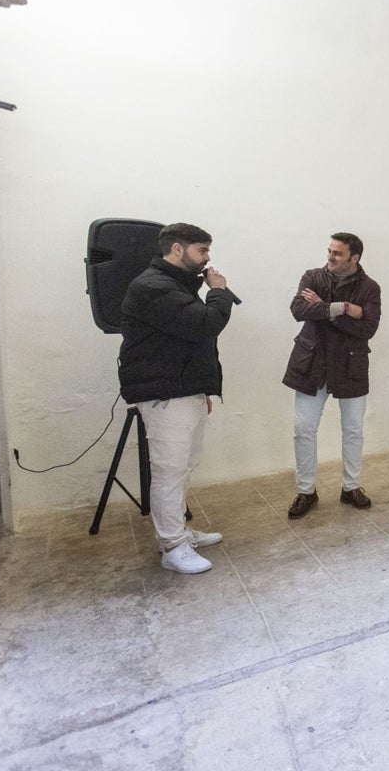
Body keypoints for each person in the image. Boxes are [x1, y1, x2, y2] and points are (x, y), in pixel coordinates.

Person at [119, 223, 236, 574]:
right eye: (202, 251)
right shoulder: (152, 287)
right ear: (176, 249)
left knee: (184, 465)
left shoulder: (174, 284)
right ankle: (172, 546)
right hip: (166, 395)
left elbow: (189, 339)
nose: (208, 258)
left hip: (185, 390)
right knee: (169, 471)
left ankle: (177, 532)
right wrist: (219, 291)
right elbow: (204, 324)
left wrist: (201, 389)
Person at [283, 233, 381, 519]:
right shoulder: (312, 277)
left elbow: (368, 329)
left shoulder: (370, 288)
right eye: (329, 251)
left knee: (353, 431)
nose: (330, 257)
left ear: (354, 258)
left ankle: (350, 487)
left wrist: (322, 309)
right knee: (303, 430)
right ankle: (306, 491)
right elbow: (298, 310)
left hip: (351, 366)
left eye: (337, 253)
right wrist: (345, 309)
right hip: (310, 363)